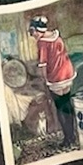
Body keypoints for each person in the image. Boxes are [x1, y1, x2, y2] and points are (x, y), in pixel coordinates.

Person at [29, 15, 77, 149]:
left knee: (60, 108)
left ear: (37, 30)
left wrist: (44, 80)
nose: (33, 36)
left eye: (32, 32)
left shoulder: (42, 43)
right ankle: (72, 135)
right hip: (67, 72)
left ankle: (68, 139)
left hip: (56, 77)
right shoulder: (56, 36)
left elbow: (43, 65)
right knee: (67, 104)